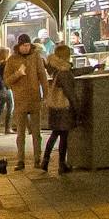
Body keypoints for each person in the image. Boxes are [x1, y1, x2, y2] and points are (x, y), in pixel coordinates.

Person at [2, 33, 47, 171]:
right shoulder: (12, 60)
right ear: (19, 46)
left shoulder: (36, 57)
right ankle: (20, 160)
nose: (26, 48)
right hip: (20, 100)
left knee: (36, 132)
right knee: (20, 133)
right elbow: (7, 81)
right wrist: (18, 74)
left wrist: (45, 94)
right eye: (24, 45)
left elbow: (42, 76)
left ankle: (37, 159)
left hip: (34, 99)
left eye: (28, 45)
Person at [40, 43, 77, 174]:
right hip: (63, 108)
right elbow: (69, 92)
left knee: (55, 134)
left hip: (55, 108)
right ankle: (62, 164)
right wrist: (76, 106)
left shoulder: (56, 69)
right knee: (64, 137)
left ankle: (45, 161)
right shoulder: (64, 71)